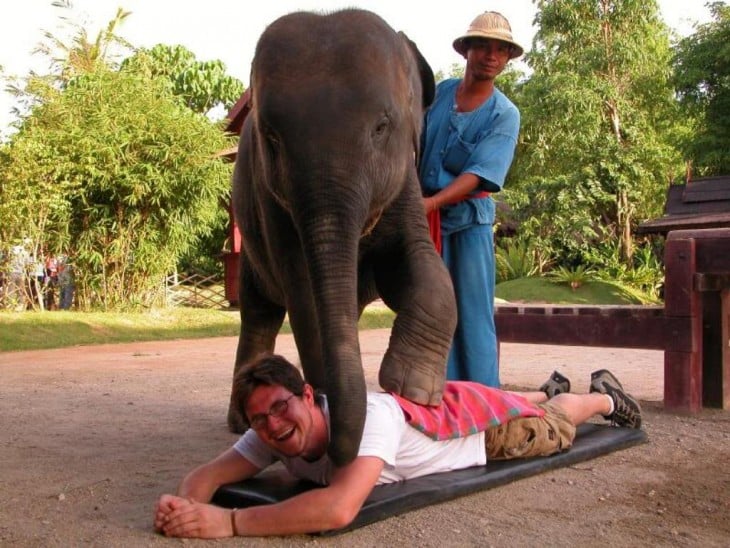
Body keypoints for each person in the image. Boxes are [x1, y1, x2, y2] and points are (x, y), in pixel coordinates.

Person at [153, 355, 642, 539]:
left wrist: (231, 522)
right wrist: (183, 503)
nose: (273, 425)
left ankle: (600, 396)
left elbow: (339, 507)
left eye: (281, 408)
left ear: (307, 395)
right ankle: (542, 389)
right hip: (436, 408)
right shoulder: (270, 430)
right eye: (260, 419)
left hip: (480, 435)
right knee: (509, 398)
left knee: (552, 425)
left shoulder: (364, 420)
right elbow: (211, 474)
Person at [419, 12, 523, 387]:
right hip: (425, 221)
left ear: (508, 58)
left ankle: (483, 403)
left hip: (468, 225)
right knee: (432, 310)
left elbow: (479, 174)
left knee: (474, 314)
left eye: (500, 50)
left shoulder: (505, 115)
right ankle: (438, 395)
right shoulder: (442, 93)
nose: (491, 56)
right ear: (467, 50)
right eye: (482, 46)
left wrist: (431, 203)